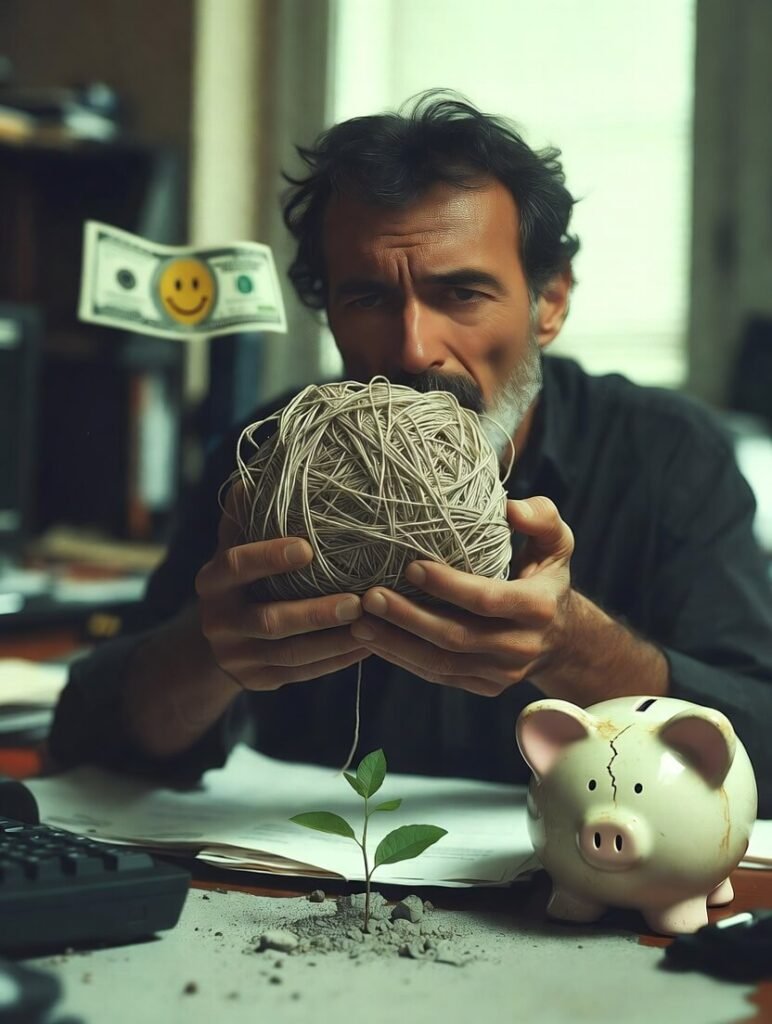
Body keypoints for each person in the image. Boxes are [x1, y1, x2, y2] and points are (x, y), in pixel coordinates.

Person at [49, 92, 772, 814]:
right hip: (302, 875)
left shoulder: (668, 456)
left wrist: (573, 648)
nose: (414, 349)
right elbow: (84, 743)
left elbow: (762, 745)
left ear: (549, 301)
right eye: (367, 298)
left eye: (461, 293)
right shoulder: (273, 460)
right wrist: (209, 652)